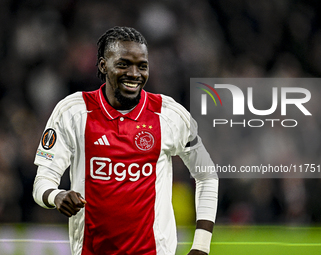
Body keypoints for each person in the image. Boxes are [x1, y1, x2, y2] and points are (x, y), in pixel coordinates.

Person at [33, 26, 218, 255]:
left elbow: (207, 174)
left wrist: (201, 245)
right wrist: (56, 195)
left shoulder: (169, 114)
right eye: (123, 64)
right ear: (103, 65)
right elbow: (42, 182)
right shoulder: (72, 112)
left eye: (142, 66)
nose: (134, 74)